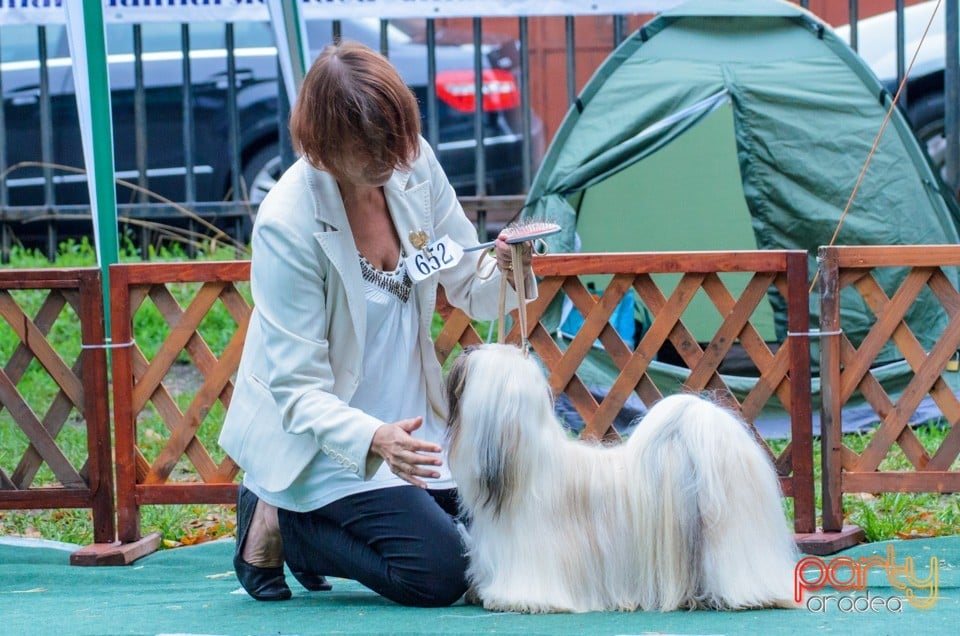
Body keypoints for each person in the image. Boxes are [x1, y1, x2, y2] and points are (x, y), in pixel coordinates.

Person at [217, 40, 535, 607]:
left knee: (499, 534)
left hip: (414, 429)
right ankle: (284, 522)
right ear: (323, 147)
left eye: (400, 136)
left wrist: (508, 264)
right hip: (324, 442)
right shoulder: (287, 223)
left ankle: (299, 521)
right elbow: (297, 390)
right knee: (443, 574)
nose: (393, 158)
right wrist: (375, 437)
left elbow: (469, 283)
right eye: (372, 147)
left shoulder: (412, 162)